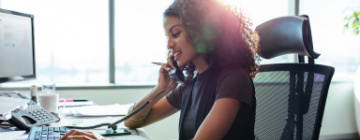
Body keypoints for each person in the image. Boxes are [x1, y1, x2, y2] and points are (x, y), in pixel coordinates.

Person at [60, 0, 259, 139]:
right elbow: (133, 122)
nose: (169, 45)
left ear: (200, 31)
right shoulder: (191, 84)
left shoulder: (233, 79)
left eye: (176, 33)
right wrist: (161, 88)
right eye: (167, 37)